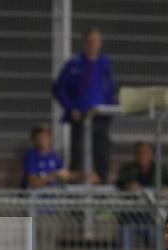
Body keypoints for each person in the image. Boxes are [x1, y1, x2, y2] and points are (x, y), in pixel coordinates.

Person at [53, 27, 115, 184]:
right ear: (84, 43)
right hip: (81, 118)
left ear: (100, 43)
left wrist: (111, 107)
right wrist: (70, 107)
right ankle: (76, 198)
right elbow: (59, 88)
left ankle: (102, 195)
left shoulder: (104, 63)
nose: (92, 44)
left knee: (102, 156)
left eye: (95, 41)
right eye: (89, 41)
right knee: (78, 157)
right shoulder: (74, 63)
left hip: (101, 118)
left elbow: (110, 89)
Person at [21, 123, 86, 188]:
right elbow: (33, 183)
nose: (42, 140)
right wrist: (53, 175)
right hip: (35, 196)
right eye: (39, 137)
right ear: (33, 140)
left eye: (45, 137)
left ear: (50, 138)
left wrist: (83, 176)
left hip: (52, 196)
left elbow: (65, 174)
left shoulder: (54, 156)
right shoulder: (31, 156)